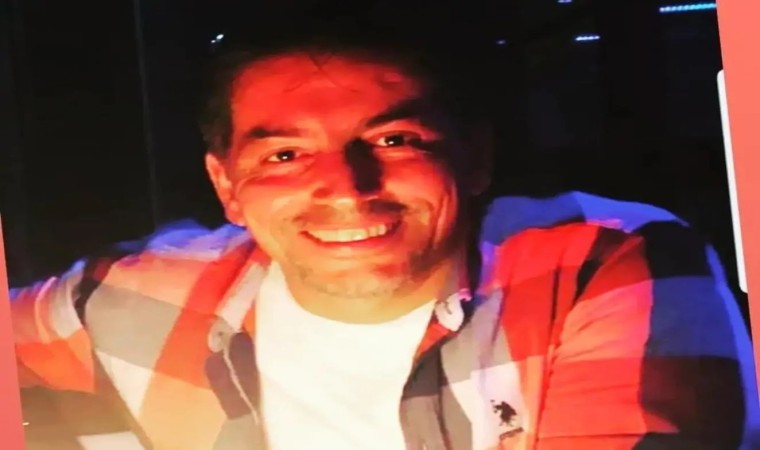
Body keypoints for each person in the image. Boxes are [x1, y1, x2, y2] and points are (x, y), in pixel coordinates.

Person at [9, 13, 760, 450]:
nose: (346, 187)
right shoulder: (128, 297)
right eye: (285, 155)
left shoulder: (601, 266)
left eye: (395, 140)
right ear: (227, 186)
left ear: (474, 157)